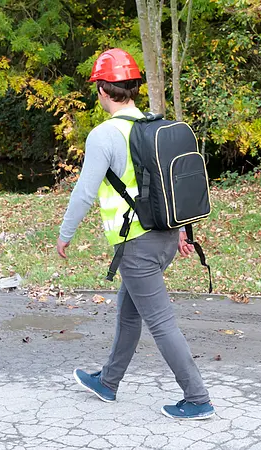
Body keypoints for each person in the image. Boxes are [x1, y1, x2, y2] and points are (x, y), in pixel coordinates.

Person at [56, 48, 214, 420]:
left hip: (137, 246)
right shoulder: (150, 127)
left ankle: (197, 398)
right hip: (163, 239)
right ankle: (108, 382)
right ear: (132, 88)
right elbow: (163, 186)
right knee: (129, 314)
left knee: (160, 322)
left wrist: (66, 233)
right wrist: (178, 232)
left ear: (102, 90)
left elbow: (84, 192)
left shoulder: (104, 135)